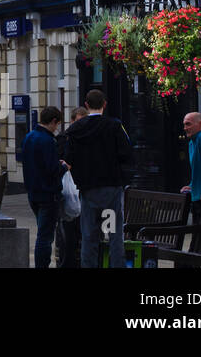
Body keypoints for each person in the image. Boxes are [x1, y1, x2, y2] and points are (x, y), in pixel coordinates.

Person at [64, 89, 134, 268]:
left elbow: (69, 158)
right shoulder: (114, 126)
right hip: (111, 190)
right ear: (104, 104)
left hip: (88, 190)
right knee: (113, 233)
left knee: (89, 235)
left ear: (86, 105)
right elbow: (127, 153)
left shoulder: (75, 129)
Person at [21, 105, 67, 268]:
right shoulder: (48, 140)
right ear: (53, 121)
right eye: (57, 124)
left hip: (33, 192)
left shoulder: (29, 137)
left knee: (42, 231)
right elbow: (52, 169)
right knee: (45, 236)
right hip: (48, 194)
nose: (57, 128)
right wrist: (63, 167)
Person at [55, 106, 88, 268]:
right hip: (69, 192)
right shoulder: (64, 139)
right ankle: (67, 261)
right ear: (72, 121)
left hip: (84, 190)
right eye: (78, 121)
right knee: (68, 231)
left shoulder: (88, 138)